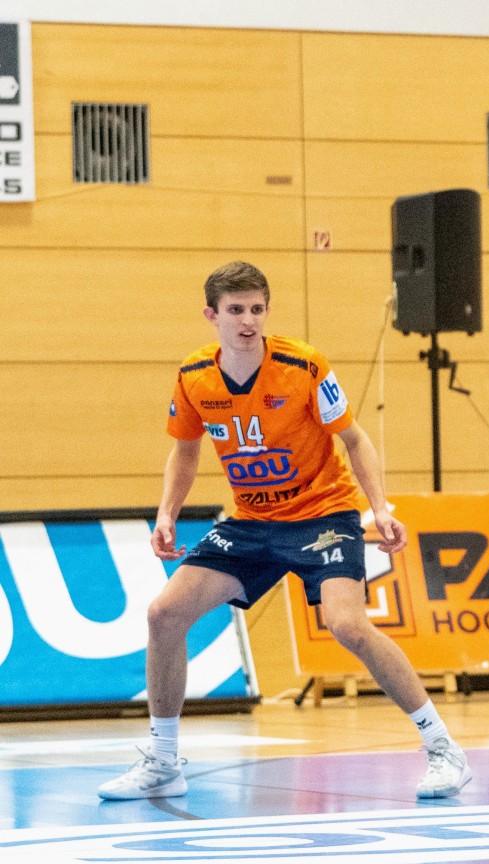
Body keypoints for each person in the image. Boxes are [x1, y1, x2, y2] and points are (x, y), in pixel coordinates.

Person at [97, 262, 470, 801]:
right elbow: (185, 450)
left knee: (348, 625)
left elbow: (356, 440)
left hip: (323, 514)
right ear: (212, 315)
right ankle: (162, 760)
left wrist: (380, 507)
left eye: (256, 309)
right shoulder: (194, 375)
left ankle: (443, 749)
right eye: (235, 311)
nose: (248, 321)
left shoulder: (303, 365)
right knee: (164, 613)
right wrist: (166, 512)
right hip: (252, 522)